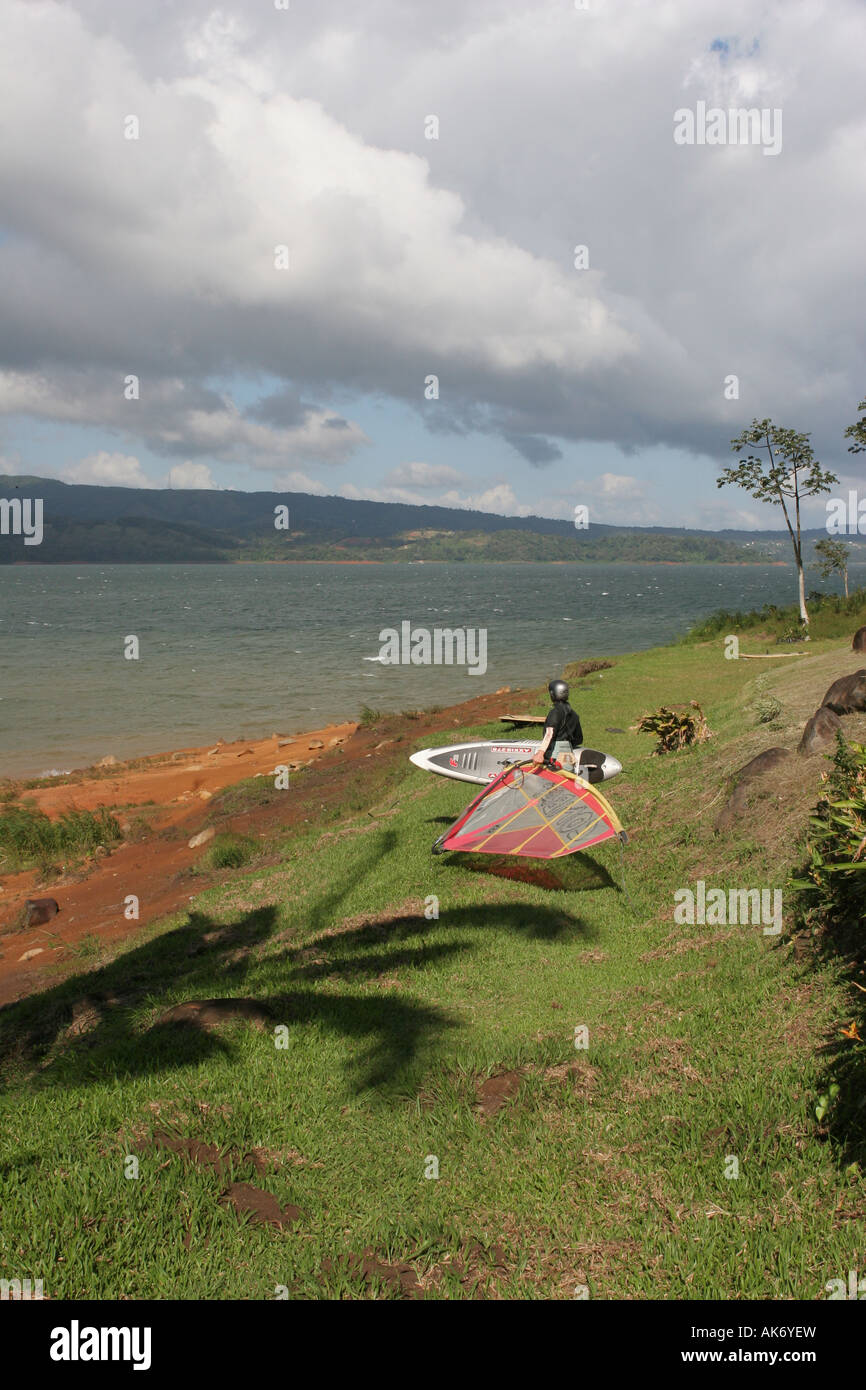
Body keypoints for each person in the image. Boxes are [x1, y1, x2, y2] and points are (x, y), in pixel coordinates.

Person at [532, 678, 583, 768]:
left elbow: (549, 734)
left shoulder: (555, 712)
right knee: (567, 780)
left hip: (555, 755)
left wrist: (540, 753)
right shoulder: (574, 714)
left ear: (552, 694)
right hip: (569, 754)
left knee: (551, 780)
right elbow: (579, 739)